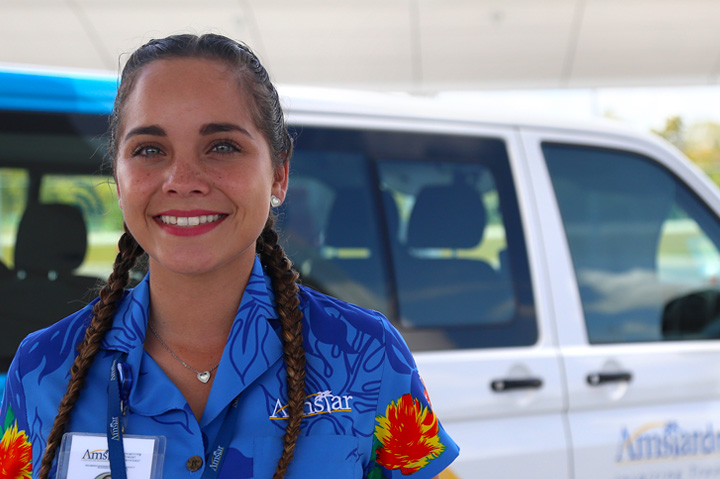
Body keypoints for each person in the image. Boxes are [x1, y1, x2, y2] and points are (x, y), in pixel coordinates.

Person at [0, 34, 459, 479]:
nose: (183, 179)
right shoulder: (43, 369)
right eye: (149, 150)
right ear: (119, 180)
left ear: (279, 174)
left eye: (221, 146)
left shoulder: (367, 355)